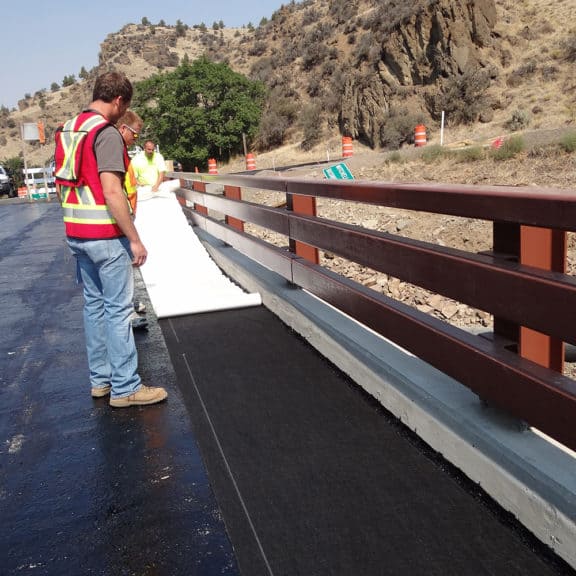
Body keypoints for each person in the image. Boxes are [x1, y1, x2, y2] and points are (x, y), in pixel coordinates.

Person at [54, 71, 167, 408]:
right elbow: (112, 191)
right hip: (105, 234)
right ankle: (126, 387)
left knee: (94, 308)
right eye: (125, 107)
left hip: (77, 233)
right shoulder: (105, 134)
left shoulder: (68, 130)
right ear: (118, 101)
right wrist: (134, 239)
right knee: (118, 312)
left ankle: (101, 381)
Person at [116, 110, 149, 330]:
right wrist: (133, 236)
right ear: (123, 129)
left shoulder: (122, 152)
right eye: (134, 135)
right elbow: (115, 191)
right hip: (121, 220)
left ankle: (128, 306)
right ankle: (126, 313)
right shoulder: (114, 151)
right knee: (123, 269)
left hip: (128, 214)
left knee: (125, 270)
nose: (134, 140)